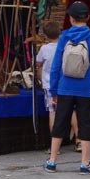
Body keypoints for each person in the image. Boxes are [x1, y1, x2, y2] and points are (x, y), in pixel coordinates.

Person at [44, 1, 90, 174]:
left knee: (60, 122)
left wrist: (54, 90)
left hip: (65, 87)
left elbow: (56, 66)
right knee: (85, 123)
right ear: (87, 17)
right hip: (85, 89)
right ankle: (85, 163)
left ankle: (52, 161)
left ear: (70, 18)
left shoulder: (64, 37)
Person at [36, 21, 79, 153]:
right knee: (71, 111)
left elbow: (38, 63)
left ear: (46, 36)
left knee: (53, 113)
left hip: (50, 85)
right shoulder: (65, 46)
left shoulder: (44, 49)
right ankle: (80, 140)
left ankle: (55, 146)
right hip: (65, 83)